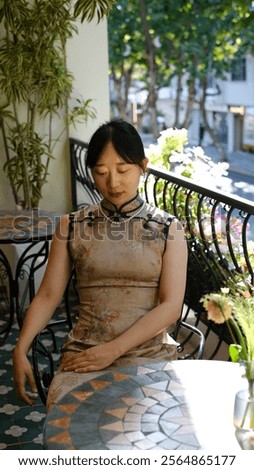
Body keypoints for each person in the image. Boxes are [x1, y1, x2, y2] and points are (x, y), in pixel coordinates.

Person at [12, 118, 188, 411]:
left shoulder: (169, 228)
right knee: (73, 429)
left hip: (149, 354)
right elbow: (47, 295)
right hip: (84, 354)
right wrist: (20, 348)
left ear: (143, 166)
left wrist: (113, 350)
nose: (113, 183)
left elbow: (171, 306)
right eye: (101, 172)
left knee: (148, 426)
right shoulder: (70, 226)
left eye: (123, 170)